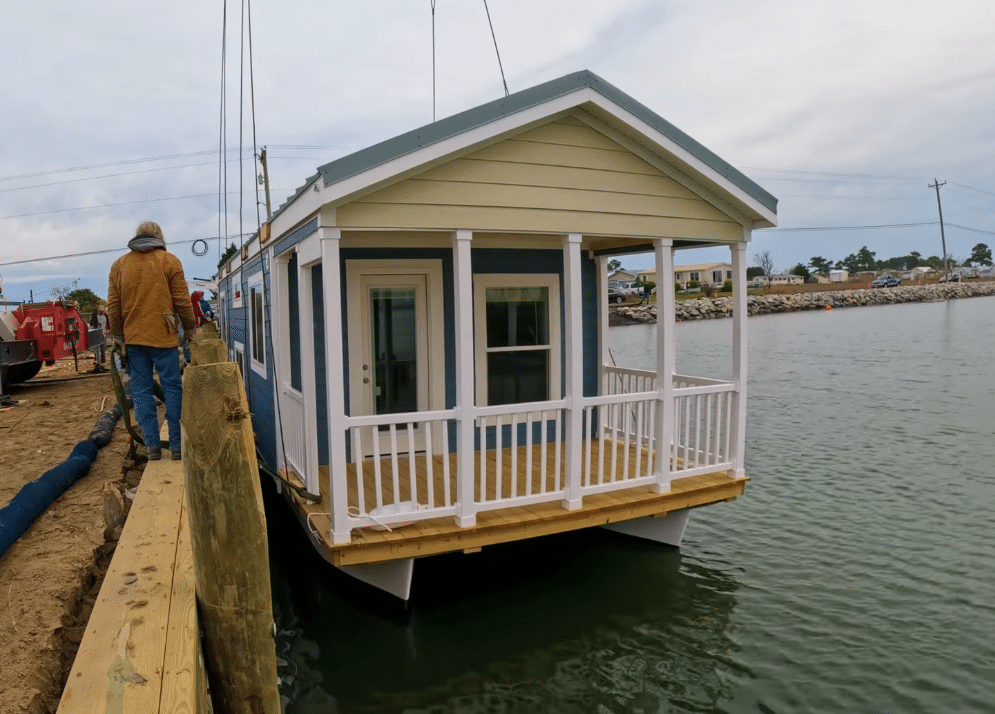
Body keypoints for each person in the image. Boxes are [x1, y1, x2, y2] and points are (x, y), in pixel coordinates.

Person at [107, 221, 195, 461]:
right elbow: (182, 300)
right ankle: (177, 447)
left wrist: (118, 335)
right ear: (160, 237)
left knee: (141, 391)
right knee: (173, 389)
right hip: (164, 336)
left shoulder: (120, 265)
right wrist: (189, 328)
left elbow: (114, 307)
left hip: (134, 339)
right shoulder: (169, 261)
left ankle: (152, 448)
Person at [88, 304, 109, 372]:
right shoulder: (94, 315)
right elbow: (92, 324)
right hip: (97, 333)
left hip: (103, 333)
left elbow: (107, 324)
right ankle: (97, 363)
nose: (102, 309)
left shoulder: (105, 315)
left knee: (103, 349)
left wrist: (108, 330)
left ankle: (101, 363)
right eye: (100, 308)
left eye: (103, 308)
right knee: (97, 349)